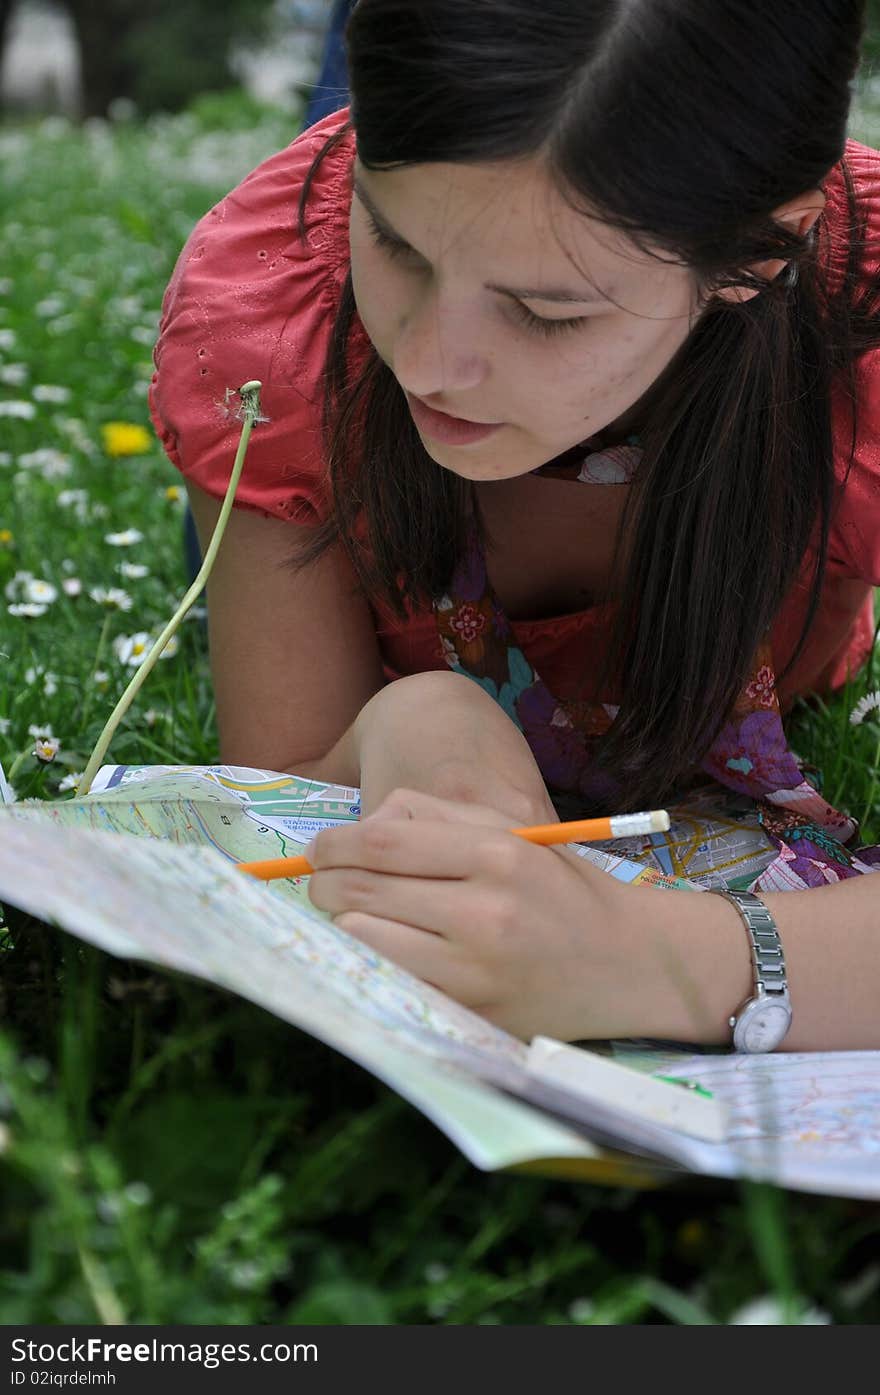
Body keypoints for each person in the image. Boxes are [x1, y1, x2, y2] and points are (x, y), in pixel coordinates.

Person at [151, 1, 880, 1051]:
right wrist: (421, 722)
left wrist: (658, 959)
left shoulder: (856, 346)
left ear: (762, 253)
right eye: (395, 243)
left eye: (547, 311)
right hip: (333, 486)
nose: (434, 365)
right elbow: (282, 773)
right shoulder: (285, 310)